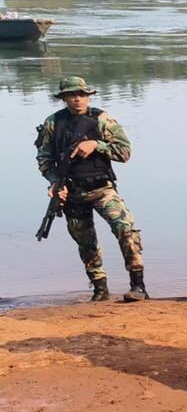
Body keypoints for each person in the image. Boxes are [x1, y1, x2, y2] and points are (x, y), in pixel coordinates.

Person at [35, 76, 147, 302]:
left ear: (88, 96)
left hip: (102, 188)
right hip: (72, 192)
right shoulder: (52, 124)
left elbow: (125, 152)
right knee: (85, 241)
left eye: (82, 94)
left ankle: (138, 286)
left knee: (125, 228)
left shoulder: (102, 119)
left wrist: (97, 145)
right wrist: (55, 183)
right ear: (64, 98)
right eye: (72, 95)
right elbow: (44, 160)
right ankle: (100, 289)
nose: (78, 99)